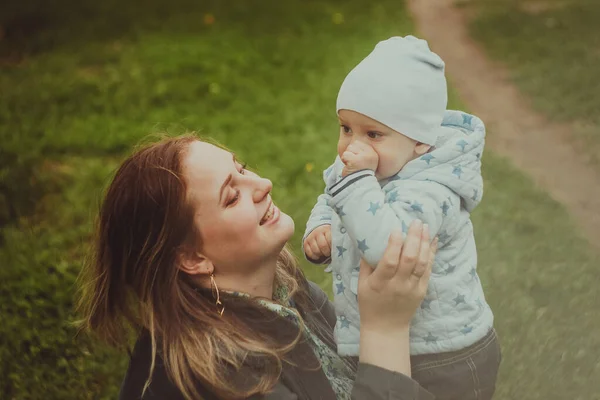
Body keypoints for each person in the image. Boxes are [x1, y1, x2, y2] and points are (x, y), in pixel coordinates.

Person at [77, 135, 441, 400]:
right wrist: (385, 328)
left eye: (242, 168)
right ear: (191, 259)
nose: (263, 184)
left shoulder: (284, 290)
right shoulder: (226, 380)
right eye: (232, 196)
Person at [302, 36, 501, 399]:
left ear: (420, 143)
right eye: (346, 128)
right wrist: (322, 226)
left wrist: (355, 181)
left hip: (446, 352)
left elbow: (387, 249)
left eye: (373, 133)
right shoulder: (364, 169)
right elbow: (332, 198)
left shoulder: (432, 190)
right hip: (398, 342)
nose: (352, 145)